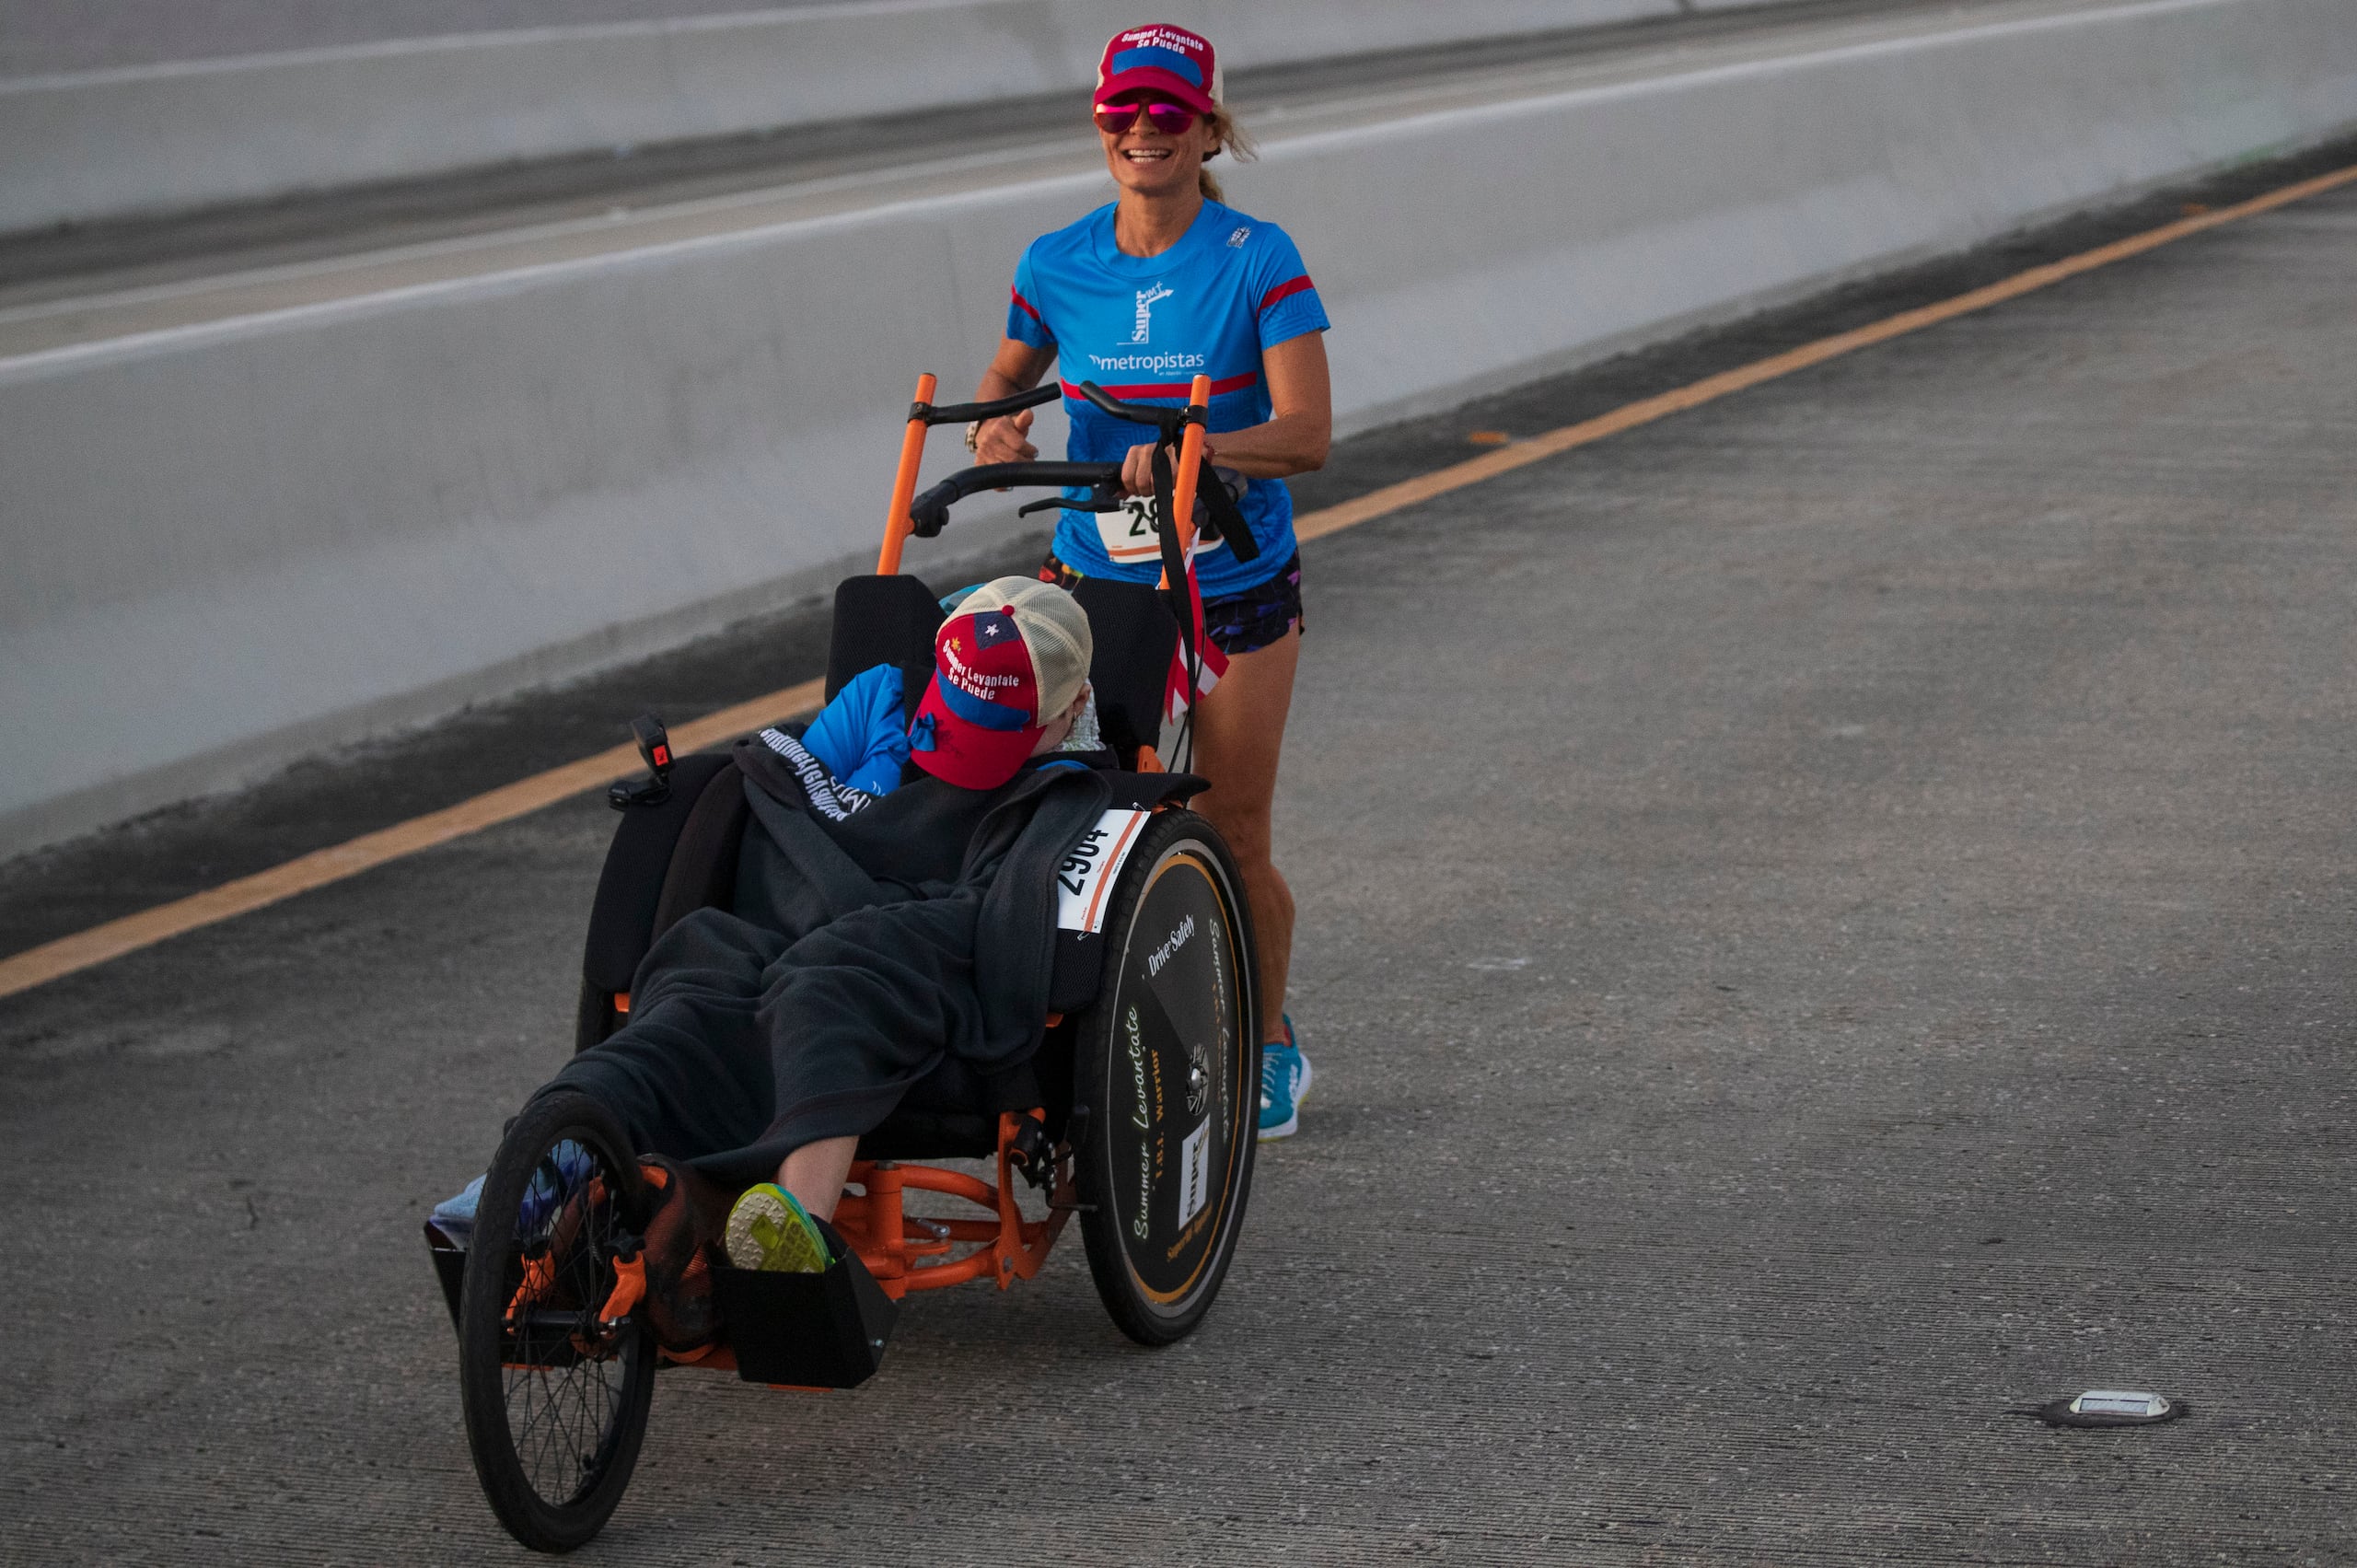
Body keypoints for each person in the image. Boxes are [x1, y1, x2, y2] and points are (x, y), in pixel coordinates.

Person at [436, 579, 1108, 1350]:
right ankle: (530, 1172)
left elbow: (1009, 904)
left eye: (995, 730)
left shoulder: (1073, 774)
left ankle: (795, 1236)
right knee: (696, 979)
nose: (957, 742)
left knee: (830, 985)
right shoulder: (883, 698)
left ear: (1069, 709)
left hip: (913, 931)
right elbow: (787, 797)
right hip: (802, 912)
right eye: (953, 719)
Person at [966, 22, 1329, 1140]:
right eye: (1123, 111)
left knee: (1232, 827)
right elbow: (1001, 382)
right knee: (1071, 815)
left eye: (1168, 113)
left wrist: (1204, 450)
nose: (1142, 130)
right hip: (1095, 578)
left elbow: (1307, 433)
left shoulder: (1257, 258)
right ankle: (1081, 1029)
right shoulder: (1054, 261)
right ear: (1099, 123)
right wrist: (999, 431)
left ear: (1207, 127)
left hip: (1232, 579)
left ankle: (1268, 1045)